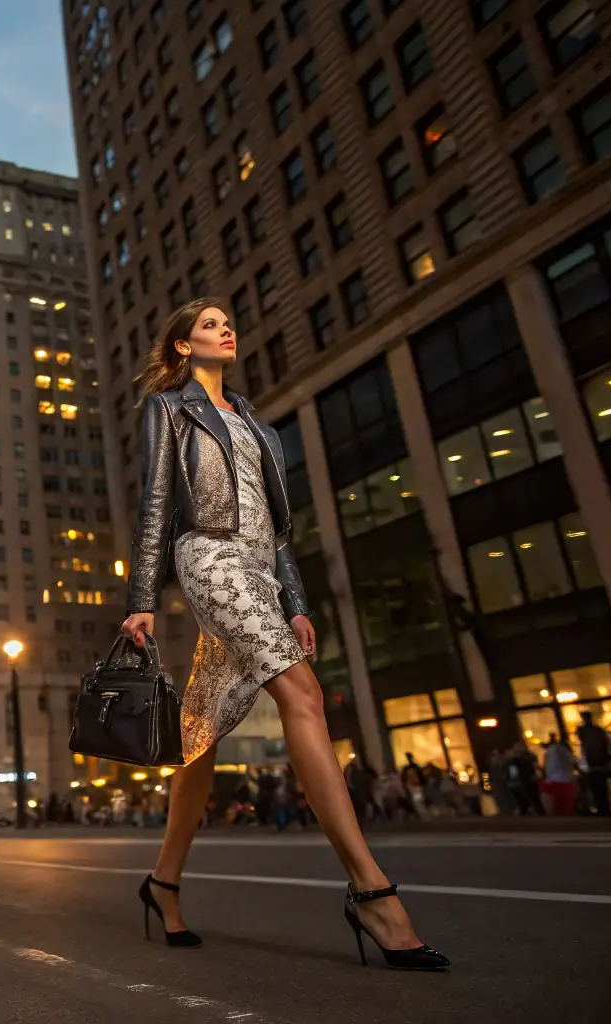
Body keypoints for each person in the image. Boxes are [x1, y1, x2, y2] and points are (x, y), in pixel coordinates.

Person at [120, 298, 448, 971]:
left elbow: (279, 528)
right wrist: (140, 598)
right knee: (302, 696)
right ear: (183, 346)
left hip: (258, 569)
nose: (224, 329)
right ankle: (370, 890)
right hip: (207, 558)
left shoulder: (258, 427)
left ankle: (162, 883)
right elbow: (155, 501)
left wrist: (294, 600)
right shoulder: (170, 409)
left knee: (198, 737)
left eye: (226, 322)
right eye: (208, 325)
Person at [576, 712, 611, 817]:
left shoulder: (589, 731)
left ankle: (602, 808)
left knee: (598, 788)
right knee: (598, 788)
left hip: (595, 763)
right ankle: (602, 808)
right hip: (595, 763)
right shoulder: (593, 731)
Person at [542, 733, 577, 816]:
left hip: (554, 779)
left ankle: (559, 813)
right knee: (566, 800)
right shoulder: (564, 750)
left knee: (557, 798)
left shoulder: (550, 751)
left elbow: (548, 765)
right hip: (565, 778)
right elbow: (570, 762)